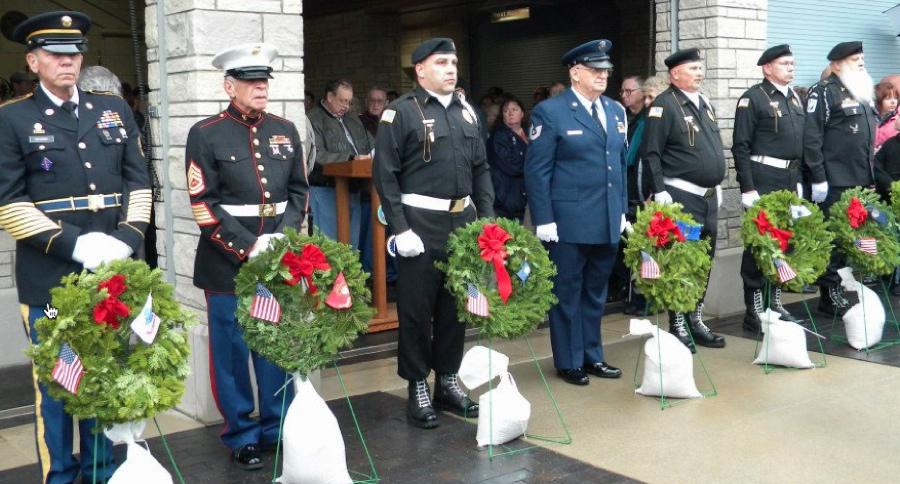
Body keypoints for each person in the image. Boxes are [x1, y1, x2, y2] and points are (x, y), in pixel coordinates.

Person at [0, 11, 152, 482]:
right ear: (33, 60)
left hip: (112, 272)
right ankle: (61, 476)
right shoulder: (12, 118)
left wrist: (126, 241)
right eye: (55, 54)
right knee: (61, 384)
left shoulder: (113, 109)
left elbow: (138, 181)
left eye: (75, 54)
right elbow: (8, 203)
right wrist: (76, 244)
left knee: (106, 377)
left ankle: (102, 471)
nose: (68, 62)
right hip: (52, 277)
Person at [185, 42, 309, 470]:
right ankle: (241, 431)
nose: (260, 88)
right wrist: (248, 245)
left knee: (274, 345)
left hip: (276, 256)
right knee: (233, 352)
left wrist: (283, 239)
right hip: (227, 262)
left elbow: (299, 191)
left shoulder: (285, 129)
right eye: (250, 81)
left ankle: (277, 426)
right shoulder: (205, 133)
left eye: (264, 81)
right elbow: (203, 202)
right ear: (229, 85)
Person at [373, 37, 493, 429]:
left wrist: (487, 221)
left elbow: (481, 170)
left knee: (454, 307)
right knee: (416, 310)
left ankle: (447, 380)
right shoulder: (401, 113)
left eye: (454, 62)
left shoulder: (466, 112)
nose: (451, 68)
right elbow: (385, 176)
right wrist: (400, 227)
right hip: (420, 225)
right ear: (420, 70)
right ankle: (416, 384)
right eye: (441, 62)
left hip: (462, 222)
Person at [525, 39, 627, 385]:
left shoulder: (614, 110)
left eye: (606, 70)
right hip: (568, 221)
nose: (602, 75)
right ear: (575, 72)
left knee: (595, 292)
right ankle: (569, 360)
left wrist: (622, 211)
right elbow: (537, 170)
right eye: (595, 70)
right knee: (567, 292)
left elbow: (619, 165)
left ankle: (592, 355)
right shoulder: (551, 112)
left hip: (606, 218)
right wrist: (544, 219)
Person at [640, 47, 728, 353]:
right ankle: (677, 321)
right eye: (692, 68)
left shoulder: (704, 103)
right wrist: (660, 190)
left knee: (703, 261)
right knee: (681, 262)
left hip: (707, 197)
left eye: (700, 68)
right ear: (675, 74)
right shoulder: (664, 105)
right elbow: (651, 152)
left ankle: (696, 318)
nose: (699, 73)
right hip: (681, 198)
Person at [732, 44, 807, 332]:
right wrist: (748, 187)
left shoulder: (794, 99)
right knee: (758, 244)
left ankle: (775, 302)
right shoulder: (753, 99)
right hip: (764, 177)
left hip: (790, 178)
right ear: (767, 68)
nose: (791, 67)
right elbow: (741, 146)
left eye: (792, 63)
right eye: (785, 63)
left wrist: (799, 183)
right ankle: (753, 310)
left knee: (782, 242)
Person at [804, 41, 878, 317]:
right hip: (834, 180)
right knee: (832, 238)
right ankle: (828, 292)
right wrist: (819, 177)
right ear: (836, 64)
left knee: (849, 237)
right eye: (854, 59)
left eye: (861, 57)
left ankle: (842, 283)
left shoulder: (861, 90)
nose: (861, 62)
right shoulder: (823, 92)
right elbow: (812, 138)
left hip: (858, 178)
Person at [622, 75, 667, 316]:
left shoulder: (659, 122)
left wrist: (653, 192)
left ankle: (649, 299)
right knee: (639, 248)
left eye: (653, 97)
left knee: (653, 249)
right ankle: (638, 297)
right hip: (637, 195)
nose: (648, 102)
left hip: (652, 195)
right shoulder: (641, 122)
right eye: (647, 96)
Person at [307, 79, 371, 247]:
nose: (346, 106)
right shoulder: (313, 118)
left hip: (354, 187)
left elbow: (370, 144)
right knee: (329, 246)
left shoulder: (353, 119)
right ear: (330, 96)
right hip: (326, 189)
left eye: (349, 102)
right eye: (343, 101)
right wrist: (350, 158)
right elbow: (317, 154)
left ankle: (350, 274)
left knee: (352, 246)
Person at [488, 96, 529, 221]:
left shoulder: (530, 133)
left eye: (514, 109)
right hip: (507, 197)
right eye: (506, 111)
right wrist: (534, 165)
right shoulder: (499, 136)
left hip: (526, 195)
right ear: (502, 116)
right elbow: (512, 166)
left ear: (522, 113)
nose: (510, 113)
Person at [874, 81, 899, 149]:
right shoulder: (870, 117)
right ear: (878, 100)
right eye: (888, 98)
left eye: (895, 98)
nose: (893, 102)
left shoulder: (898, 119)